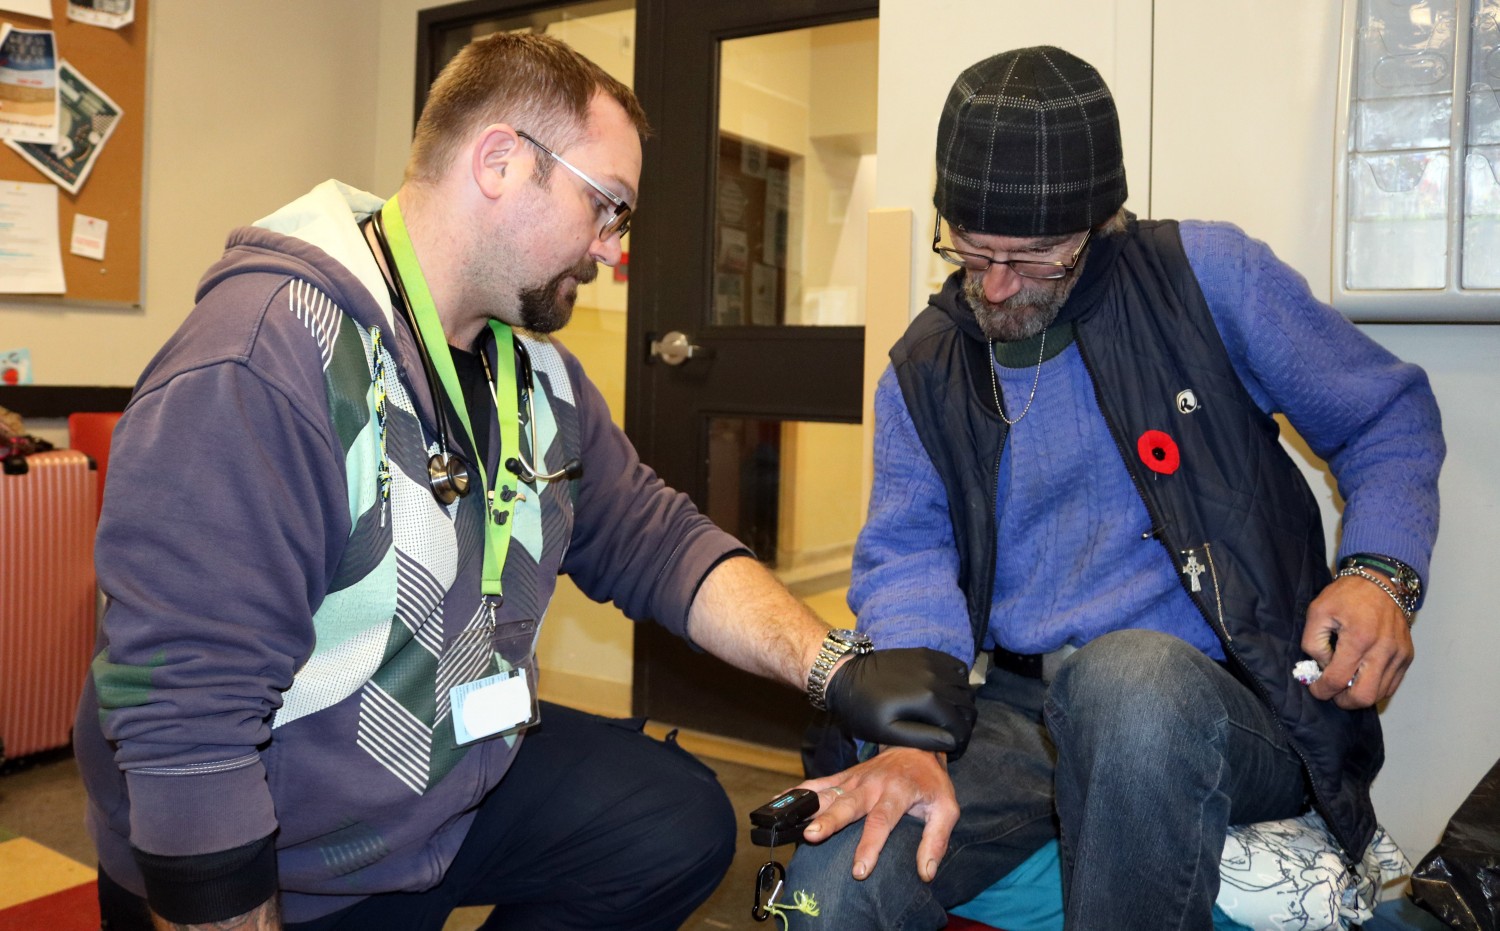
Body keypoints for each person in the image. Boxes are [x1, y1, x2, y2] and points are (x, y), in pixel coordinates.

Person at [74, 33, 973, 931]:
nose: (612, 251)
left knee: (674, 821)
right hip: (294, 856)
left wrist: (834, 669)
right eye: (607, 207)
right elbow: (185, 717)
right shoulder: (268, 358)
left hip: (442, 784)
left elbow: (656, 543)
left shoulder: (533, 375)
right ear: (502, 161)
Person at [783, 45, 1444, 929]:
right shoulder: (925, 365)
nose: (996, 283)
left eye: (1035, 256)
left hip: (1217, 696)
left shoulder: (1207, 279)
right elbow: (906, 558)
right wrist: (913, 738)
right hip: (1012, 711)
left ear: (1104, 222)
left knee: (1124, 682)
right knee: (832, 884)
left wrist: (1378, 573)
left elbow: (1387, 414)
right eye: (970, 249)